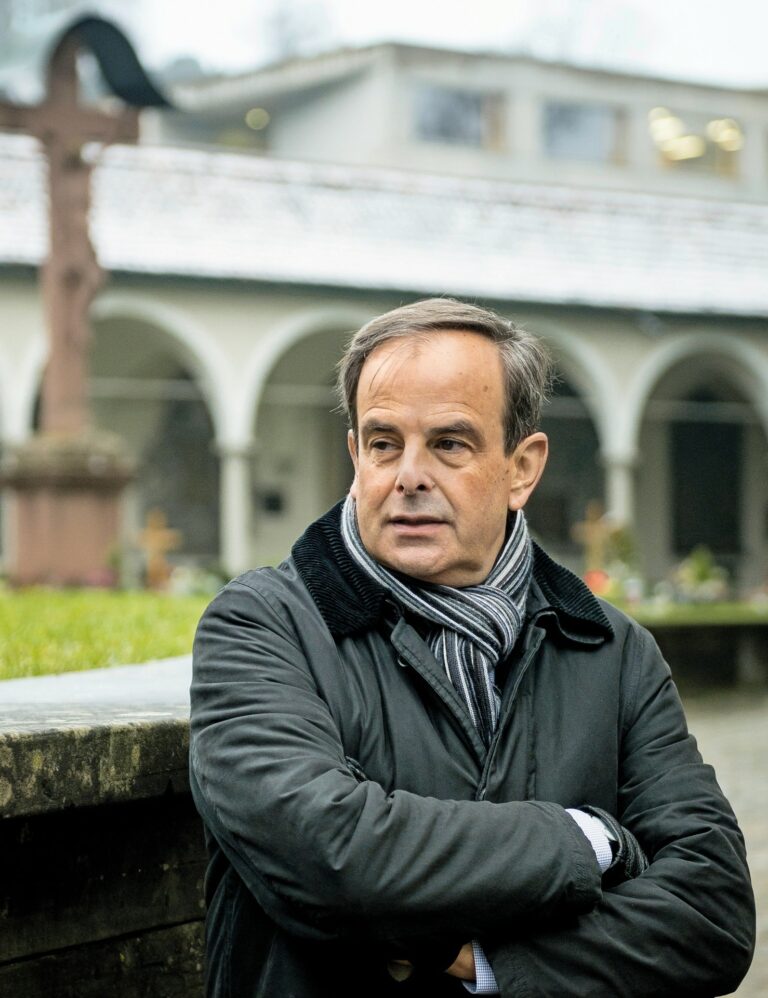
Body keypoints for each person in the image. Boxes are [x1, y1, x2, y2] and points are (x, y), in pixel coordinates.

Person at [189, 298, 755, 996]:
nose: (409, 476)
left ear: (523, 468)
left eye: (449, 444)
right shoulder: (262, 625)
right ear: (355, 457)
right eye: (384, 443)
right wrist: (587, 841)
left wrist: (489, 961)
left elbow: (714, 914)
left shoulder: (611, 651)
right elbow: (328, 856)